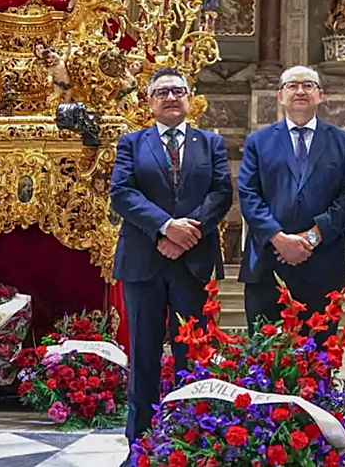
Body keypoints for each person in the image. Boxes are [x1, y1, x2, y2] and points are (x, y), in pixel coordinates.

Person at [109, 67, 233, 464]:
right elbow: (122, 194)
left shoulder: (210, 142)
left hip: (192, 262)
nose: (171, 97)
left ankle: (190, 438)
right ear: (150, 101)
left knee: (191, 356)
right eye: (162, 91)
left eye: (178, 90)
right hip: (144, 260)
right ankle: (140, 445)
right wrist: (164, 227)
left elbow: (221, 193)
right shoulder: (131, 143)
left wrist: (187, 233)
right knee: (144, 355)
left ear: (190, 97)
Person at [237, 65, 345, 331]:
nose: (300, 91)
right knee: (265, 358)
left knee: (318, 358)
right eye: (292, 85)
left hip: (323, 264)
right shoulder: (258, 141)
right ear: (280, 95)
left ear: (320, 95)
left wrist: (310, 238)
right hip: (268, 263)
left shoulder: (343, 142)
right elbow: (248, 194)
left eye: (309, 85)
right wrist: (278, 238)